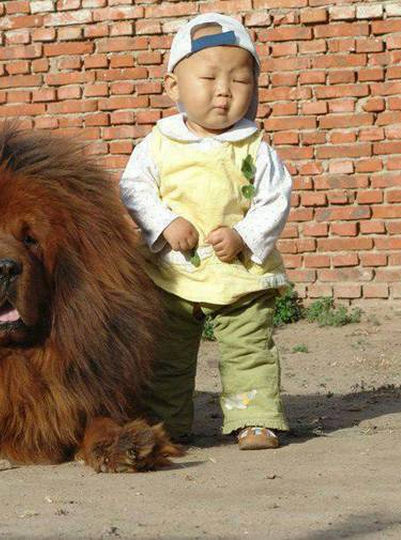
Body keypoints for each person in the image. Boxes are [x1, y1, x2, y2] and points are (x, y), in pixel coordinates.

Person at [120, 12, 292, 450]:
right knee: (168, 356)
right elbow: (134, 189)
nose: (224, 91)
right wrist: (163, 222)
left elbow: (274, 200)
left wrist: (245, 236)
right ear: (173, 86)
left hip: (240, 275)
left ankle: (255, 418)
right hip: (174, 275)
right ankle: (166, 423)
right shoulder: (158, 143)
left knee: (248, 349)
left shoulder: (256, 147)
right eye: (210, 78)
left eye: (239, 80)